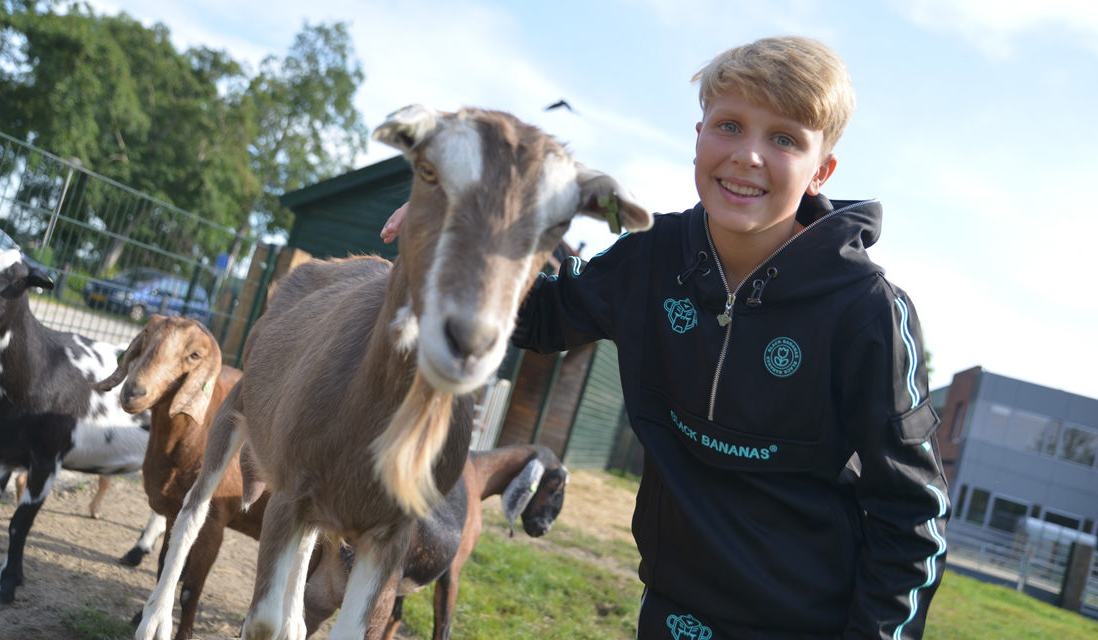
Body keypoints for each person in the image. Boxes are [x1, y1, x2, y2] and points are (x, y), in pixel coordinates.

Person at [382, 36, 948, 639]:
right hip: (672, 612)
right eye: (730, 126)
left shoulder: (866, 312)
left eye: (784, 139)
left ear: (821, 171)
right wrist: (450, 232)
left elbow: (911, 512)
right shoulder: (648, 261)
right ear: (699, 136)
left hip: (806, 623)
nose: (749, 155)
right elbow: (537, 319)